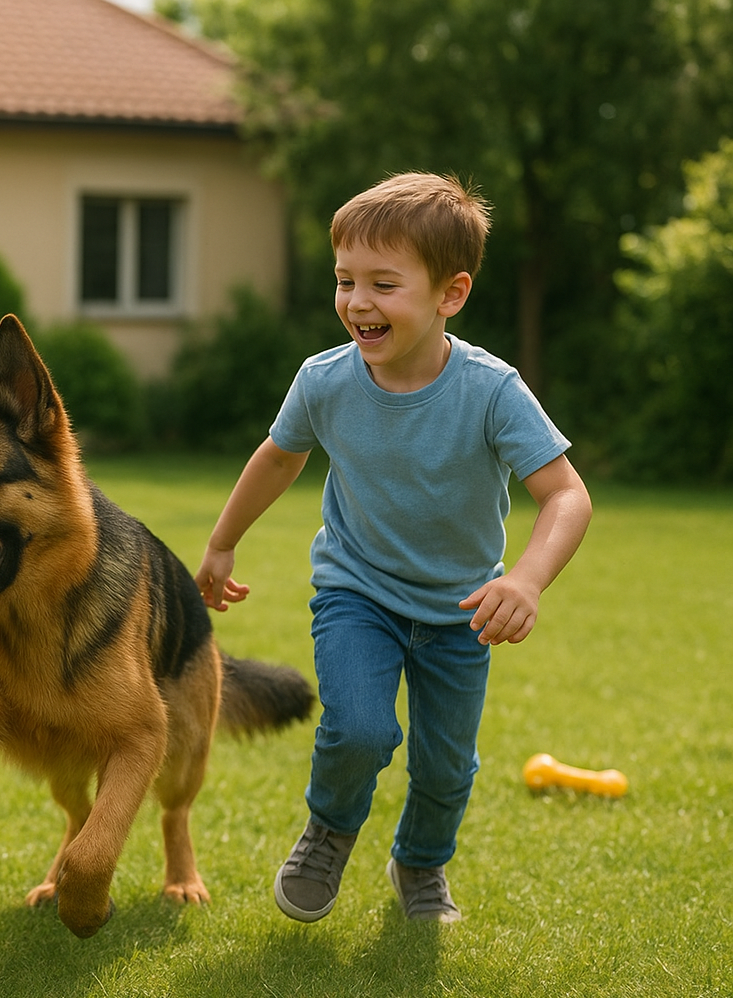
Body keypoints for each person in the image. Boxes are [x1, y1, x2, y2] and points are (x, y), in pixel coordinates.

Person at [194, 172, 591, 924]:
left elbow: (566, 495)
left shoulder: (492, 391)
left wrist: (530, 580)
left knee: (445, 767)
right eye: (344, 281)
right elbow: (279, 456)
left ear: (451, 294)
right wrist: (221, 543)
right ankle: (330, 831)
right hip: (358, 592)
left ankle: (420, 863)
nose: (356, 302)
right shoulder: (325, 382)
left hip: (458, 609)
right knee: (361, 728)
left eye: (383, 284)